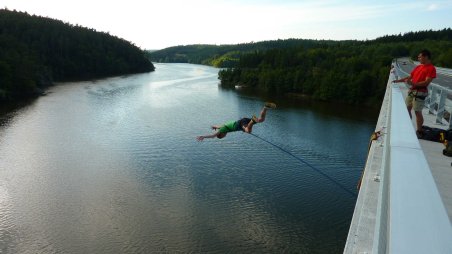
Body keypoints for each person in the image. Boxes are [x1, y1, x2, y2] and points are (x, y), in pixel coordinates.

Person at [393, 49, 436, 138]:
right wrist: (398, 81)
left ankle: (419, 131)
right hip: (412, 91)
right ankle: (407, 126)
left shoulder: (431, 68)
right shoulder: (419, 67)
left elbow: (426, 82)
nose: (418, 58)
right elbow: (410, 77)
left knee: (417, 112)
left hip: (420, 92)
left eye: (420, 56)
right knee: (407, 109)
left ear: (426, 57)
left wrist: (413, 84)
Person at [196, 102, 276, 141]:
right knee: (261, 120)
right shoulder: (222, 127)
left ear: (221, 134)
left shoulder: (223, 130)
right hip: (242, 121)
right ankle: (265, 108)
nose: (225, 136)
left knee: (248, 131)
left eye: (223, 136)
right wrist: (214, 126)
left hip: (240, 124)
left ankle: (252, 121)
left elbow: (213, 136)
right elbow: (217, 126)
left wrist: (203, 136)